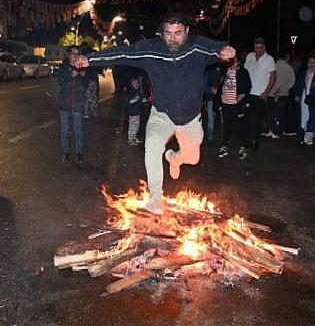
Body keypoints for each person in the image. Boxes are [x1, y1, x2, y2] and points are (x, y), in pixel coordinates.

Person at [75, 12, 235, 214]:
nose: (173, 38)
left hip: (191, 120)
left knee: (192, 158)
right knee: (151, 146)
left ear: (186, 31)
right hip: (162, 115)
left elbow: (215, 48)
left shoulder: (196, 46)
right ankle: (156, 199)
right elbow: (123, 53)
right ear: (162, 33)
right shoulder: (151, 50)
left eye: (178, 33)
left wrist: (224, 50)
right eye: (168, 33)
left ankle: (174, 158)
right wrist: (90, 59)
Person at [57, 45, 88, 164]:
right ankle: (66, 153)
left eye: (78, 54)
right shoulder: (63, 67)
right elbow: (61, 82)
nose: (76, 56)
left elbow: (85, 85)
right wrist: (71, 76)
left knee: (78, 130)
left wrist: (83, 76)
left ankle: (80, 153)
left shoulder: (82, 67)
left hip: (77, 104)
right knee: (64, 130)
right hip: (64, 104)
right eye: (74, 54)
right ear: (68, 54)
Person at [216, 57, 252, 159]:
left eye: (234, 61)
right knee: (226, 126)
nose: (232, 63)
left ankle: (242, 147)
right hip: (226, 103)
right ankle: (224, 146)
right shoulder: (224, 72)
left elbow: (248, 86)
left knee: (240, 126)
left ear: (239, 62)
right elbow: (220, 85)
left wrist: (243, 94)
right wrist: (218, 93)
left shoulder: (243, 72)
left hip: (237, 104)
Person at [244, 37, 276, 151]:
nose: (257, 50)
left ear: (264, 48)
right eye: (256, 48)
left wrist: (266, 92)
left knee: (257, 121)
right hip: (248, 94)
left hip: (260, 95)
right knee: (247, 119)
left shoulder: (269, 59)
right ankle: (247, 141)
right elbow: (245, 73)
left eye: (260, 48)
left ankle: (255, 142)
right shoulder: (249, 56)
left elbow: (273, 77)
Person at [262, 50, 296, 139]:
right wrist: (283, 89)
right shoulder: (289, 68)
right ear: (287, 57)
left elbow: (266, 78)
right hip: (282, 94)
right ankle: (275, 131)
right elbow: (292, 82)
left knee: (270, 113)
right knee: (278, 113)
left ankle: (269, 130)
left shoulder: (273, 66)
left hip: (270, 93)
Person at [293, 56, 315, 145]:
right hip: (304, 97)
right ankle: (304, 135)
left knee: (313, 115)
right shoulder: (303, 73)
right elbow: (299, 84)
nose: (311, 64)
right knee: (303, 115)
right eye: (310, 62)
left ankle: (309, 135)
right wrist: (297, 95)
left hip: (314, 98)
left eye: (313, 62)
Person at [204, 63, 224, 141]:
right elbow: (204, 84)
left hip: (222, 98)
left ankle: (224, 137)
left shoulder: (224, 69)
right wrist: (210, 89)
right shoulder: (208, 69)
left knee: (223, 119)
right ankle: (210, 137)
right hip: (210, 97)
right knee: (210, 118)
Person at [80, 42, 100, 119]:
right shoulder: (93, 53)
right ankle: (94, 112)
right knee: (92, 96)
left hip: (86, 78)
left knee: (87, 96)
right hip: (93, 78)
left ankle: (86, 112)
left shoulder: (81, 55)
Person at [127, 77, 146, 146]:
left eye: (137, 83)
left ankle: (134, 138)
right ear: (131, 84)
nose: (136, 84)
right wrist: (137, 97)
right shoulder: (131, 92)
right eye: (134, 83)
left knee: (136, 126)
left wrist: (144, 100)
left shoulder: (138, 92)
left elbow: (140, 101)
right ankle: (130, 139)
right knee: (132, 126)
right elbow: (130, 101)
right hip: (132, 113)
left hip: (137, 112)